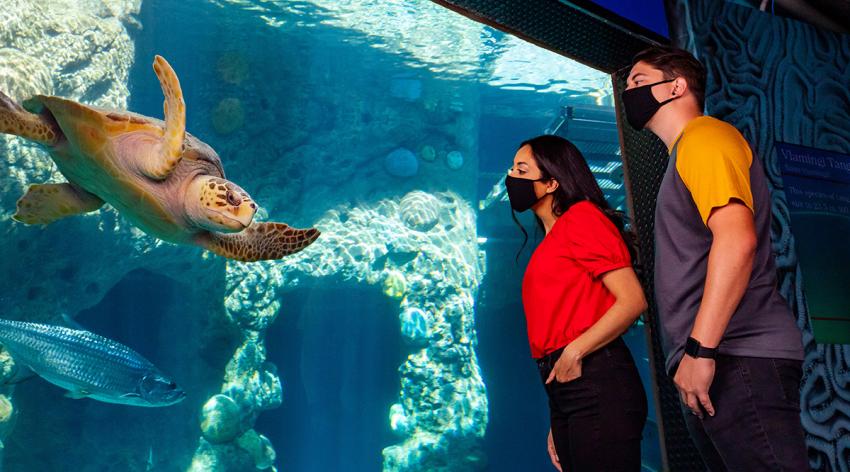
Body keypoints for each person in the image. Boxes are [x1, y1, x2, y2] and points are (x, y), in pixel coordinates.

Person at [622, 45, 808, 471]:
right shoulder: (685, 155)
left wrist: (701, 351)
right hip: (717, 363)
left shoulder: (705, 137)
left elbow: (736, 240)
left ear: (676, 87)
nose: (627, 92)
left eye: (637, 82)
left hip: (737, 357)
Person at [506, 135, 648, 471]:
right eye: (512, 168)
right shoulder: (551, 240)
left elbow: (632, 300)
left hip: (596, 377)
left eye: (521, 169)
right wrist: (559, 411)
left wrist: (575, 351)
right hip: (568, 388)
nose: (511, 177)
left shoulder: (582, 218)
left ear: (552, 182)